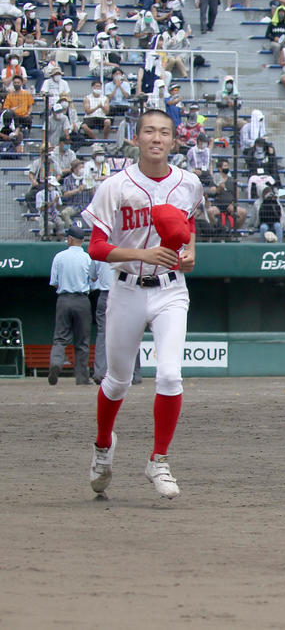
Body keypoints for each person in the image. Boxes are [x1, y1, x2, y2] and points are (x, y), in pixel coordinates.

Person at [81, 109, 203, 500]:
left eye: (164, 132)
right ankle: (103, 447)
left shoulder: (189, 183)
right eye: (149, 131)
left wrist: (190, 251)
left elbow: (187, 225)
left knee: (169, 375)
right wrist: (145, 254)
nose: (157, 138)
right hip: (127, 288)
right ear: (136, 139)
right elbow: (96, 247)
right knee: (116, 381)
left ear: (173, 141)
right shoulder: (115, 186)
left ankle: (159, 459)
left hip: (171, 290)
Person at [48, 226, 94, 386]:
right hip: (82, 300)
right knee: (82, 341)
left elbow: (54, 282)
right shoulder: (87, 258)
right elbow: (93, 280)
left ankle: (56, 363)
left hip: (64, 298)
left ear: (69, 239)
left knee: (60, 338)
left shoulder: (59, 257)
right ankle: (82, 378)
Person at [90, 259, 141, 386]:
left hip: (107, 293)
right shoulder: (129, 245)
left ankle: (100, 373)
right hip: (127, 292)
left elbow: (92, 277)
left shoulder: (101, 248)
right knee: (131, 332)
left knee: (104, 333)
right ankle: (135, 374)